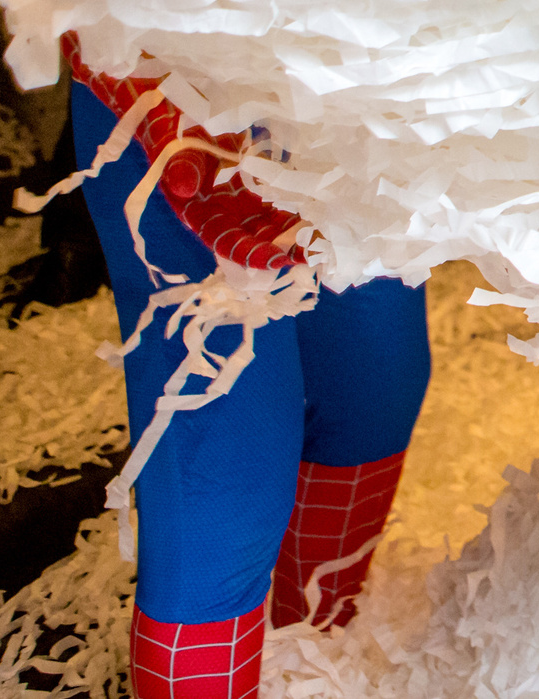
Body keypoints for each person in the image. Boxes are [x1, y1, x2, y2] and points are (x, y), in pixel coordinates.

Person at [63, 35, 431, 698]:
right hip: (181, 71)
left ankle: (311, 665)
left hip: (352, 79)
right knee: (230, 471)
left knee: (375, 387)